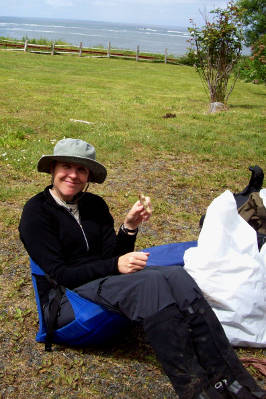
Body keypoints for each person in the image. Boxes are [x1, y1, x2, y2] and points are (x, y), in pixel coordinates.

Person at [19, 138, 266, 399]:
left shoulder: (95, 206)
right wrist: (115, 265)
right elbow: (62, 274)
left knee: (177, 275)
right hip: (66, 301)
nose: (73, 175)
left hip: (101, 281)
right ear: (52, 169)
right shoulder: (36, 212)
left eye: (81, 170)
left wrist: (129, 227)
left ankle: (232, 380)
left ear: (89, 176)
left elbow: (112, 256)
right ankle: (197, 391)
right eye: (66, 166)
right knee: (151, 284)